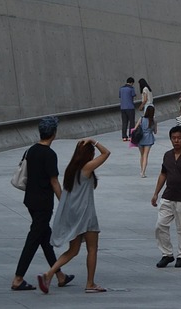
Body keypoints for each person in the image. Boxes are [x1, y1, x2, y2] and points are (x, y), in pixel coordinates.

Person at [39, 138, 110, 294]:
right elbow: (106, 153)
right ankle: (90, 283)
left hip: (74, 214)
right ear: (88, 153)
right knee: (92, 249)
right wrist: (94, 141)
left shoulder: (72, 169)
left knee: (73, 250)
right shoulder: (87, 168)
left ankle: (50, 273)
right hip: (86, 214)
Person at [11, 117, 73, 291]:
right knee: (33, 239)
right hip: (44, 204)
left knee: (45, 238)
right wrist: (63, 203)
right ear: (53, 133)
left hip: (30, 200)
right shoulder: (50, 154)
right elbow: (54, 181)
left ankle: (59, 275)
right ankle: (18, 278)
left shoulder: (31, 150)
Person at [151, 125, 181, 268]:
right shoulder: (167, 155)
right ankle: (167, 254)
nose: (176, 141)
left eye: (179, 138)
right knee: (160, 225)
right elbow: (163, 174)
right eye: (173, 138)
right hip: (168, 195)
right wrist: (156, 193)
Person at [136, 105, 158, 178]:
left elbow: (135, 128)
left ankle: (141, 170)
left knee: (142, 155)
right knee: (146, 155)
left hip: (140, 138)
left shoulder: (141, 119)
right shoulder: (153, 120)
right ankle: (143, 172)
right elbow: (155, 132)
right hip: (148, 138)